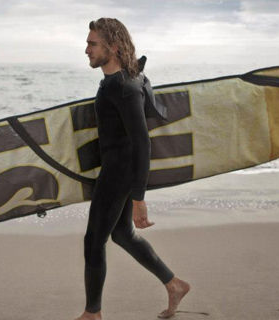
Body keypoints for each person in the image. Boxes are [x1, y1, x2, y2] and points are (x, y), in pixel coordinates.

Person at [76, 18, 190, 320]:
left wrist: (139, 199)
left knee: (94, 241)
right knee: (123, 235)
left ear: (112, 47)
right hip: (118, 170)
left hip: (118, 173)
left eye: (92, 43)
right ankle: (174, 284)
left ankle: (92, 314)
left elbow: (142, 143)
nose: (86, 49)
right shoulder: (125, 79)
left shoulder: (125, 87)